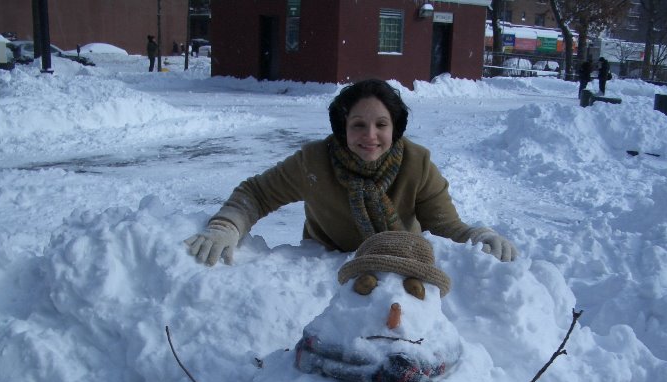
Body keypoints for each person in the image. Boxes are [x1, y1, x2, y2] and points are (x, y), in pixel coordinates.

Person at [184, 79, 517, 266]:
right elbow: (256, 193)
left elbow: (446, 227)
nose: (370, 136)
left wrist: (480, 237)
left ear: (395, 128)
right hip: (325, 271)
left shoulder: (418, 164)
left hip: (400, 270)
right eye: (358, 125)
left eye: (381, 125)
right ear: (342, 129)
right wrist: (226, 227)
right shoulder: (313, 162)